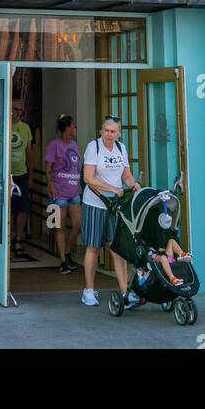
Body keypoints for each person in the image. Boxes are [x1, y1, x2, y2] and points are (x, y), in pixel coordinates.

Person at [81, 115, 141, 308]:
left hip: (114, 206)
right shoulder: (94, 147)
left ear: (118, 134)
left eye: (112, 131)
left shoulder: (121, 148)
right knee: (93, 246)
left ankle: (125, 292)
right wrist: (112, 188)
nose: (109, 134)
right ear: (101, 131)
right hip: (95, 203)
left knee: (117, 249)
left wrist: (134, 185)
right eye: (106, 130)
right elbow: (88, 177)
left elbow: (126, 175)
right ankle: (88, 291)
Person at [44, 114, 82, 274]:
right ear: (66, 128)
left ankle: (67, 251)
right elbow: (48, 169)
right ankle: (63, 260)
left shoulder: (74, 144)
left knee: (77, 225)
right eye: (73, 126)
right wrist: (51, 184)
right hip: (58, 193)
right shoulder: (55, 145)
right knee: (59, 228)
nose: (75, 129)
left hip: (74, 192)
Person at [10, 94, 33, 261]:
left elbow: (29, 153)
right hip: (5, 175)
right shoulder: (0, 124)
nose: (18, 112)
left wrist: (31, 176)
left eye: (20, 110)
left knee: (23, 209)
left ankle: (18, 240)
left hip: (21, 175)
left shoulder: (25, 128)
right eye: (15, 109)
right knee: (7, 209)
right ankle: (7, 239)